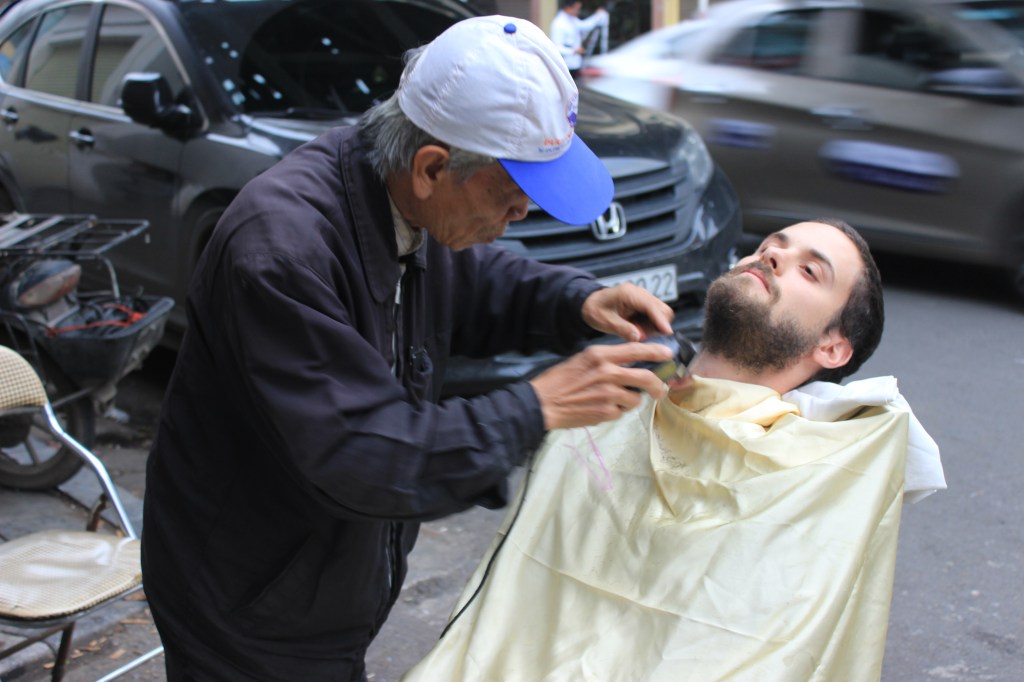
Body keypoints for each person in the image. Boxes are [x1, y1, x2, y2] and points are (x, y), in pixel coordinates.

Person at [141, 15, 683, 682]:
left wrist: (576, 300)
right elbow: (364, 451)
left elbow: (474, 278)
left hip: (318, 583)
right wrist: (535, 407)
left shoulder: (394, 191)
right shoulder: (280, 252)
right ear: (431, 167)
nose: (521, 216)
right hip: (246, 605)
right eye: (513, 198)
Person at [402, 219, 947, 681]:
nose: (773, 256)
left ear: (832, 346)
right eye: (770, 245)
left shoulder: (813, 474)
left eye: (810, 270)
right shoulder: (609, 398)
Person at [550, 0, 609, 77]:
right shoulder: (559, 23)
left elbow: (585, 26)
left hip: (575, 64)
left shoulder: (572, 19)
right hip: (566, 65)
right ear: (568, 8)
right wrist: (573, 51)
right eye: (576, 9)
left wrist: (597, 16)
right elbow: (556, 47)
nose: (578, 11)